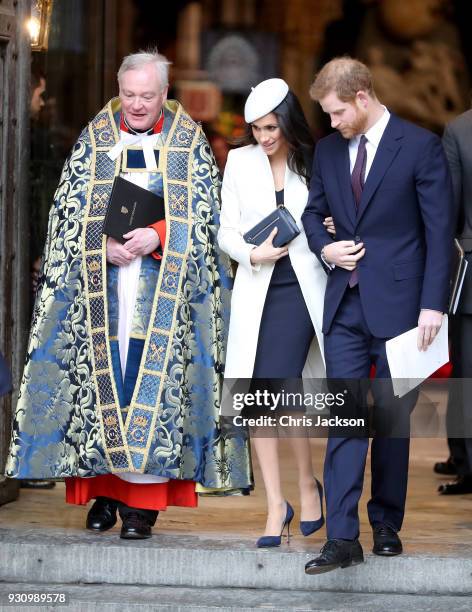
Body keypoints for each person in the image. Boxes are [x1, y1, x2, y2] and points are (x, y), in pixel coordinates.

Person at [5, 49, 252, 539]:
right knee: (102, 385)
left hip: (163, 292)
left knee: (150, 388)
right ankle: (102, 493)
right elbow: (66, 216)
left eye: (146, 96)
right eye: (129, 94)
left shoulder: (188, 143)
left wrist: (160, 234)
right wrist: (100, 244)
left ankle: (142, 507)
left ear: (164, 94)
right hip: (104, 290)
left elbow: (207, 218)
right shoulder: (93, 141)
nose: (136, 105)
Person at [301, 57, 454, 573]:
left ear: (363, 98)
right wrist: (327, 249)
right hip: (344, 303)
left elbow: (439, 234)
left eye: (338, 112)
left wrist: (434, 304)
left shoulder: (421, 146)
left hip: (405, 308)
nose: (332, 122)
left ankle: (386, 523)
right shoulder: (325, 151)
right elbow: (310, 213)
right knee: (346, 419)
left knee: (391, 422)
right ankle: (343, 537)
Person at [218, 79, 328, 547]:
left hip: (304, 291)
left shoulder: (315, 159)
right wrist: (250, 254)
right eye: (256, 129)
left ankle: (305, 485)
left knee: (280, 389)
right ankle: (277, 504)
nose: (263, 137)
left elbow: (333, 213)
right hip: (258, 285)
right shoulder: (240, 162)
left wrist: (330, 225)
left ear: (288, 122)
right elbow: (224, 230)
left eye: (271, 127)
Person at [438, 109, 472, 495]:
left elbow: (449, 211)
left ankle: (466, 464)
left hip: (470, 270)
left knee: (467, 376)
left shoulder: (460, 130)